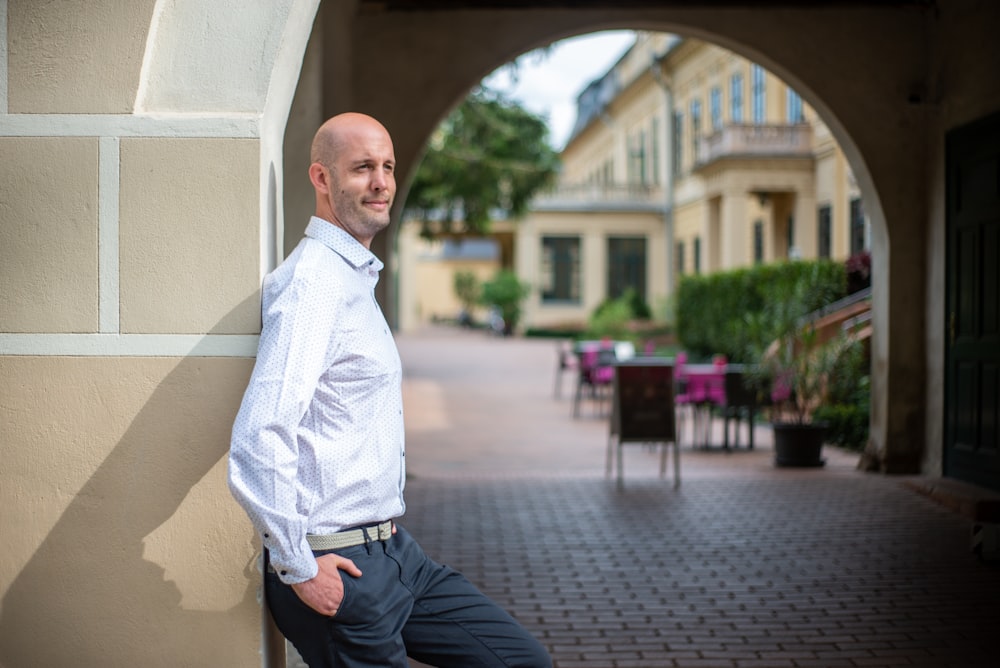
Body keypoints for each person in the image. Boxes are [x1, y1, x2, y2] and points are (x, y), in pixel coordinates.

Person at [227, 112, 551, 668]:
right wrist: (300, 567)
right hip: (340, 565)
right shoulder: (314, 286)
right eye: (361, 168)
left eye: (387, 167)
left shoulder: (353, 276)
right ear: (322, 179)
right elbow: (260, 433)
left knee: (521, 660)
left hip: (396, 554)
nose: (381, 182)